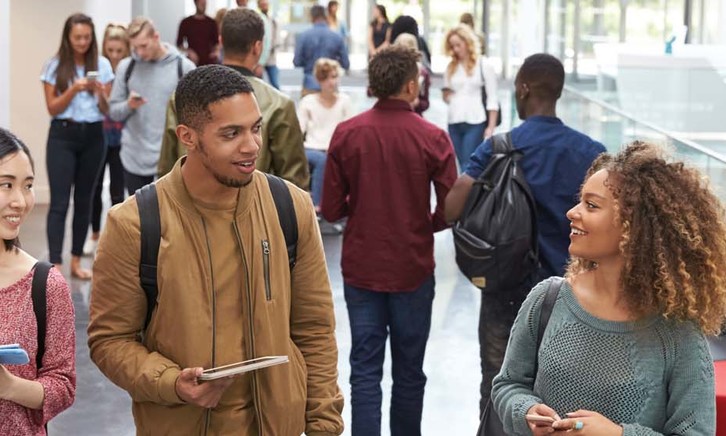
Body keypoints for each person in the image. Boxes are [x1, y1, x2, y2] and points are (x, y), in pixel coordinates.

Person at [88, 64, 344, 434]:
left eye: (255, 128)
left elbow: (315, 331)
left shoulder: (290, 207)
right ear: (188, 136)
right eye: (231, 134)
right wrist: (172, 381)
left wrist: (324, 426)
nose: (252, 145)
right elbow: (110, 341)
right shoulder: (135, 223)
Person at [492, 141, 726, 435]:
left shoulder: (678, 332)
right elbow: (508, 384)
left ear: (634, 226)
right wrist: (524, 410)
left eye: (591, 205)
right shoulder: (547, 299)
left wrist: (618, 434)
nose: (572, 212)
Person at [444, 53, 606, 416]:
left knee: (499, 387)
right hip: (575, 291)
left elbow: (452, 207)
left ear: (523, 88)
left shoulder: (500, 147)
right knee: (568, 394)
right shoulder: (592, 154)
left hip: (507, 287)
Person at [321, 45, 457, 436]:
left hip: (361, 267)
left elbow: (330, 209)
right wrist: (421, 223)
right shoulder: (434, 138)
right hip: (413, 267)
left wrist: (363, 210)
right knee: (410, 371)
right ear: (412, 85)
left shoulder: (347, 133)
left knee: (364, 370)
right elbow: (450, 209)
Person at [157, 8, 309, 190]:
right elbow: (293, 181)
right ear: (258, 47)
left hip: (188, 208)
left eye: (256, 128)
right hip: (253, 211)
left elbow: (167, 167)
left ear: (220, 42)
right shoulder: (278, 104)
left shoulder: (183, 97)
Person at [0, 128, 76, 434]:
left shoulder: (44, 284)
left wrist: (8, 385)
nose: (20, 201)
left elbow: (63, 385)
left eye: (28, 186)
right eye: (6, 185)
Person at [41, 13, 113, 279]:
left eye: (86, 37)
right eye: (77, 37)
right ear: (68, 38)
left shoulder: (103, 65)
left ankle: (75, 261)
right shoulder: (54, 66)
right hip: (62, 135)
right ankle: (55, 265)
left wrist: (100, 93)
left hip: (94, 136)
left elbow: (107, 110)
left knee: (85, 199)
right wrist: (74, 89)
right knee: (59, 202)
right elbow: (52, 108)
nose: (82, 42)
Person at [108, 17, 195, 196]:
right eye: (135, 48)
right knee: (140, 219)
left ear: (156, 37)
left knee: (169, 219)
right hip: (134, 157)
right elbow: (114, 112)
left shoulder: (183, 67)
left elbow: (197, 115)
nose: (139, 52)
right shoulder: (127, 67)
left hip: (170, 159)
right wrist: (129, 105)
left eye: (144, 46)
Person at [85, 23, 130, 256]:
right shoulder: (100, 71)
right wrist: (101, 94)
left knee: (117, 190)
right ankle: (94, 235)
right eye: (110, 50)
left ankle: (116, 238)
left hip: (123, 137)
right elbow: (100, 108)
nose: (114, 55)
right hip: (100, 135)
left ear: (126, 50)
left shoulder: (128, 73)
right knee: (94, 187)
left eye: (119, 51)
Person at [297, 58, 352, 214]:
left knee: (328, 159)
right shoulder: (308, 102)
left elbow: (349, 131)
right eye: (327, 78)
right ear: (319, 80)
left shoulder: (344, 101)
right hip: (311, 148)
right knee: (323, 160)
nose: (331, 82)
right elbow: (298, 130)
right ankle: (317, 205)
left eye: (334, 77)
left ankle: (320, 204)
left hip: (335, 149)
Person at [442, 24, 499, 170]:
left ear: (467, 42)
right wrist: (449, 97)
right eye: (452, 46)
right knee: (461, 164)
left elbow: (493, 98)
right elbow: (446, 93)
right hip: (454, 120)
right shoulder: (451, 67)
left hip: (475, 120)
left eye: (458, 45)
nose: (455, 49)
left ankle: (468, 193)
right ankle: (471, 192)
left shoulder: (484, 65)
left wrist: (491, 127)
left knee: (469, 165)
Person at [293, 5, 350, 96]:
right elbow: (346, 63)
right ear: (326, 17)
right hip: (331, 87)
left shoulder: (303, 36)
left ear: (311, 17)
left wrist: (309, 63)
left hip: (309, 85)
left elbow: (297, 62)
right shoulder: (337, 37)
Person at [393, 33, 430, 116]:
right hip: (394, 115)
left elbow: (425, 103)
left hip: (414, 115)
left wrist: (417, 103)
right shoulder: (391, 71)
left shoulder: (422, 73)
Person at [176, 0, 219, 66]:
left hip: (209, 63)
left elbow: (216, 43)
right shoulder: (186, 22)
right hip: (192, 63)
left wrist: (216, 52)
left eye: (204, 3)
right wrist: (189, 51)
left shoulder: (212, 22)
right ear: (195, 3)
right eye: (201, 3)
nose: (203, 6)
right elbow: (179, 44)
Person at [258, 0, 280, 89]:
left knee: (275, 84)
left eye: (265, 4)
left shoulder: (274, 21)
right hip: (261, 57)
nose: (264, 6)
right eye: (262, 5)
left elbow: (276, 39)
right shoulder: (259, 19)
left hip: (271, 57)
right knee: (259, 84)